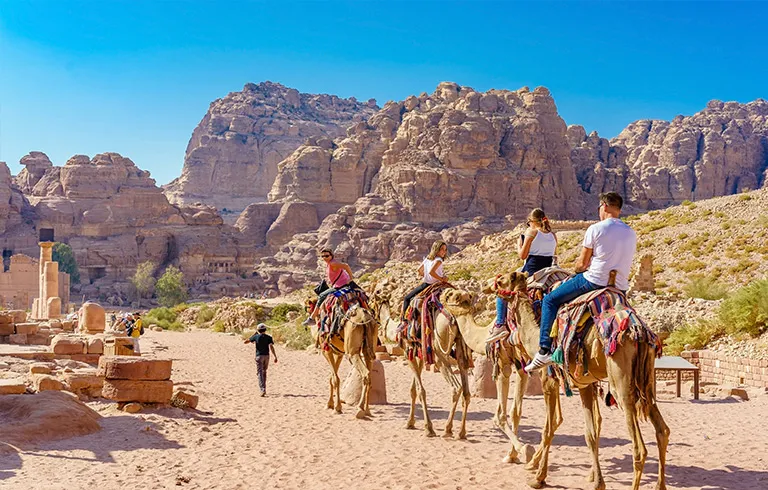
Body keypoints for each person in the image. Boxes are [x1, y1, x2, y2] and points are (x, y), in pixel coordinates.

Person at [525, 192, 636, 372]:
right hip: (620, 287)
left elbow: (582, 264)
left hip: (594, 281)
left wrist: (577, 270)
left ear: (604, 206)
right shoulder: (630, 232)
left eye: (599, 207)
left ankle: (544, 350)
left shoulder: (596, 228)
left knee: (550, 300)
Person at [489, 209, 557, 342]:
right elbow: (554, 254)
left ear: (531, 221)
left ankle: (500, 324)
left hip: (531, 270)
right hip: (549, 269)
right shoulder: (553, 235)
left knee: (501, 290)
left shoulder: (532, 232)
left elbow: (523, 255)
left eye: (528, 222)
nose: (528, 224)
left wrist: (519, 245)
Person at [302, 248, 354, 325]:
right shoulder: (330, 263)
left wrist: (351, 278)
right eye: (322, 256)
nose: (324, 258)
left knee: (321, 296)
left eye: (327, 256)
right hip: (339, 284)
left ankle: (312, 318)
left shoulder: (333, 263)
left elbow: (346, 266)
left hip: (340, 286)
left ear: (331, 255)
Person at [401, 240, 449, 320]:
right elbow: (431, 272)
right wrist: (442, 279)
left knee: (407, 298)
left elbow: (419, 270)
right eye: (442, 249)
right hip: (437, 284)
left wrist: (426, 276)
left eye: (445, 249)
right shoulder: (439, 260)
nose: (444, 251)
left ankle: (404, 320)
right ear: (436, 249)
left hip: (425, 285)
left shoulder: (428, 259)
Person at [243, 323, 278, 396]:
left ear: (258, 330)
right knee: (264, 371)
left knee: (260, 373)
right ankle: (264, 387)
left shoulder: (256, 337)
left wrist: (253, 335)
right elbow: (271, 347)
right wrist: (275, 356)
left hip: (259, 356)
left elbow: (245, 342)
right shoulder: (269, 337)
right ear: (265, 329)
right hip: (267, 356)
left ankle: (262, 389)